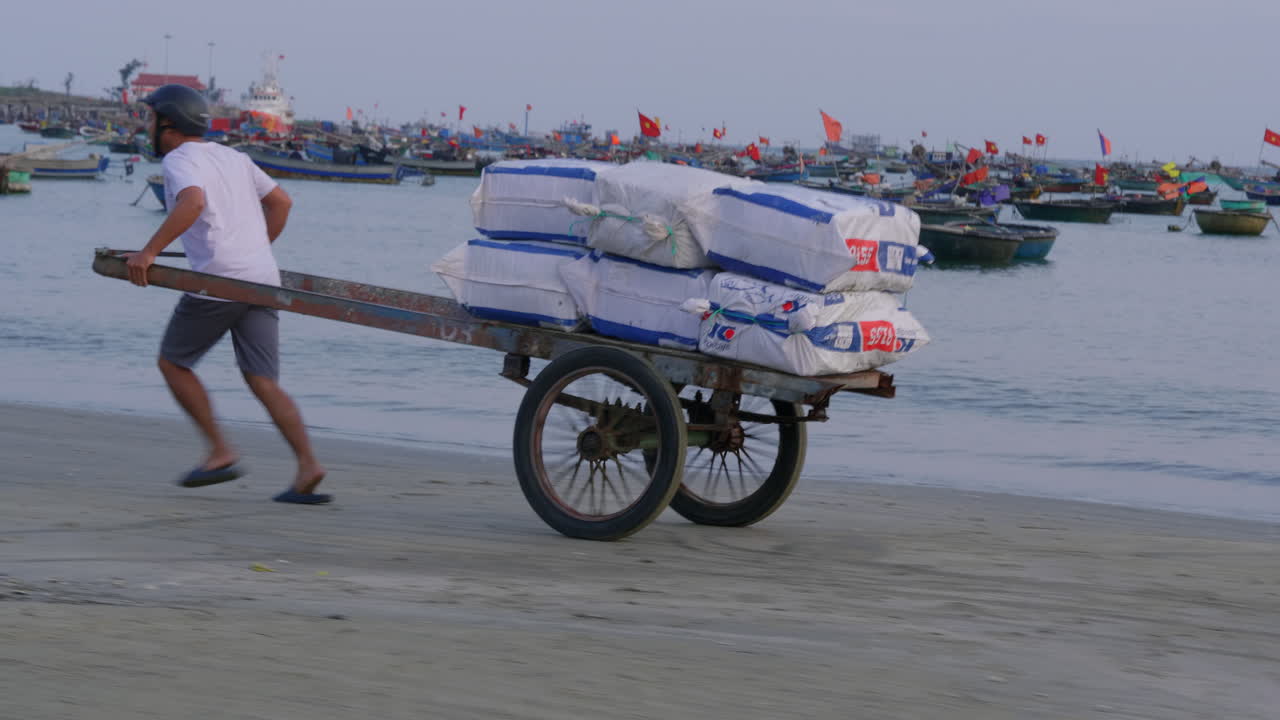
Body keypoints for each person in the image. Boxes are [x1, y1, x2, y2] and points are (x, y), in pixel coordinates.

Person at [125, 84, 329, 504]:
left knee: (173, 362)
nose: (147, 126)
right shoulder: (235, 157)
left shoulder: (180, 159)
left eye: (150, 118)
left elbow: (192, 204)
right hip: (261, 279)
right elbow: (282, 204)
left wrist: (148, 252)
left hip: (219, 282)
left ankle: (220, 452)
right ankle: (309, 466)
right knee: (262, 380)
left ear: (168, 122)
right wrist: (254, 252)